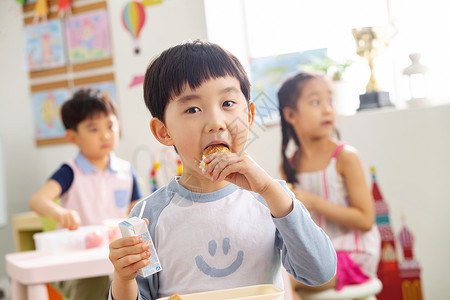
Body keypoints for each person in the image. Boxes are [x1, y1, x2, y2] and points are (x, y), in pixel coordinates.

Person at [108, 40, 337, 300]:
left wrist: (269, 190)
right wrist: (123, 277)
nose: (216, 122)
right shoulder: (148, 214)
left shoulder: (272, 198)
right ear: (164, 131)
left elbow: (321, 272)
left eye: (228, 103)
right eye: (193, 109)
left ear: (249, 116)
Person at [29, 89, 142, 300]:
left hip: (112, 258)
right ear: (73, 137)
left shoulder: (126, 172)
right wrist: (60, 213)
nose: (105, 135)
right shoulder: (70, 171)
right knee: (97, 284)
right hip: (77, 263)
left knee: (136, 279)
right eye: (93, 129)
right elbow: (37, 200)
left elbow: (138, 212)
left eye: (110, 125)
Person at [277, 72, 381, 299]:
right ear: (291, 114)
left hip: (352, 254)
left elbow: (365, 220)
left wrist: (314, 202)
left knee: (288, 281)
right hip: (317, 254)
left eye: (330, 101)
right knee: (278, 274)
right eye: (316, 102)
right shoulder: (289, 166)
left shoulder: (345, 157)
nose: (327, 109)